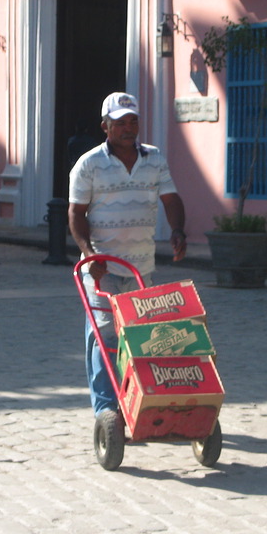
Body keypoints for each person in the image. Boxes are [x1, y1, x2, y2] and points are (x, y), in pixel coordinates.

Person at [69, 91, 187, 421]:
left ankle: (135, 400)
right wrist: (89, 255)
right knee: (104, 337)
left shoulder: (155, 159)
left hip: (141, 267)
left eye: (133, 121)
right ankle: (107, 411)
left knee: (139, 339)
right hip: (102, 269)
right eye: (120, 123)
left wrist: (178, 230)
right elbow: (76, 214)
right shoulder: (89, 164)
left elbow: (171, 200)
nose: (128, 128)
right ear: (105, 126)